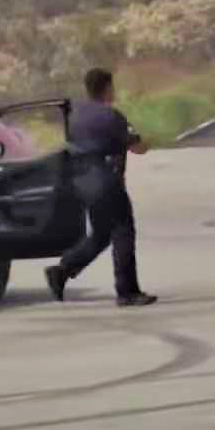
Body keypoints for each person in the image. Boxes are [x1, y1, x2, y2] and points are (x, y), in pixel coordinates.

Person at [45, 69, 158, 307]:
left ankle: (62, 270)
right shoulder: (111, 116)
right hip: (106, 181)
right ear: (107, 87)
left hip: (82, 183)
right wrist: (148, 141)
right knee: (123, 230)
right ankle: (127, 291)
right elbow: (137, 147)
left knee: (101, 234)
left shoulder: (75, 114)